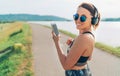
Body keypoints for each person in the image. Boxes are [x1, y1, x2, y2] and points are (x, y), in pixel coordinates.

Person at [52, 2, 100, 76]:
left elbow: (66, 66)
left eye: (83, 18)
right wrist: (74, 44)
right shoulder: (90, 35)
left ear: (93, 20)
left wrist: (56, 42)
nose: (78, 20)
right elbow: (88, 57)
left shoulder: (83, 37)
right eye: (76, 16)